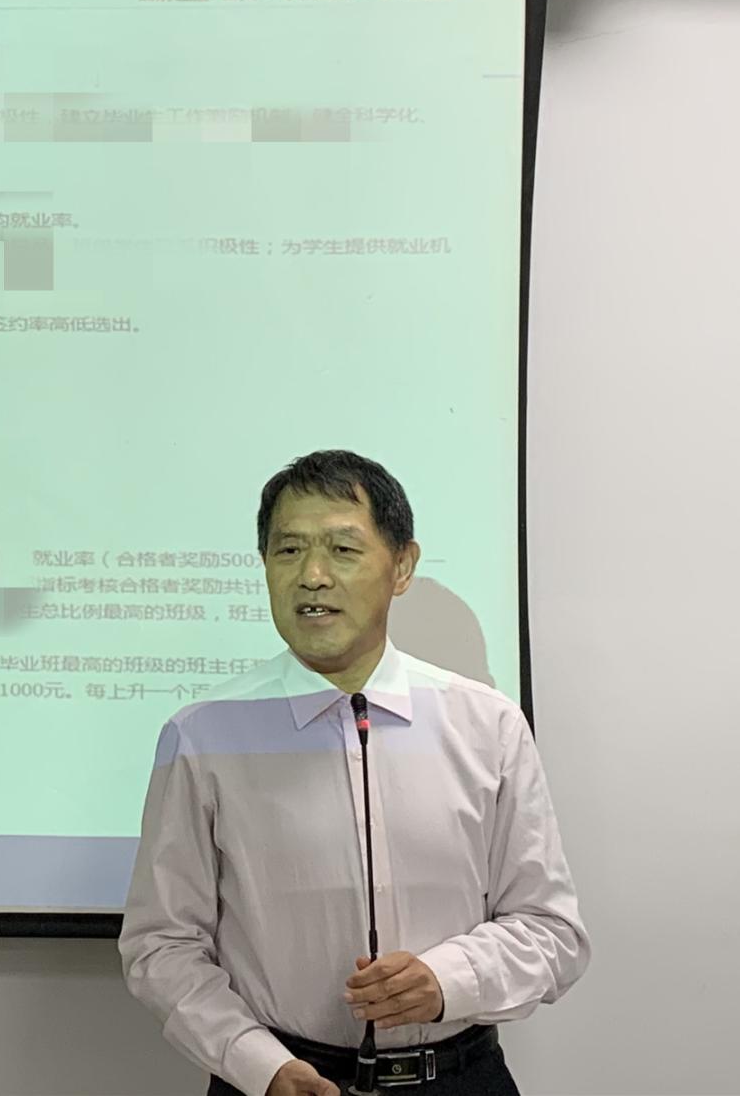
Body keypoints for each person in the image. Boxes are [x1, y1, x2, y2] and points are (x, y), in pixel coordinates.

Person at [120, 451, 588, 1096]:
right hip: (279, 1079)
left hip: (458, 1078)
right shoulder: (203, 735)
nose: (312, 576)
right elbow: (162, 945)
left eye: (342, 550)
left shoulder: (487, 724)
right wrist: (259, 1064)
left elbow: (551, 930)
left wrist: (448, 979)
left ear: (402, 566)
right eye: (288, 551)